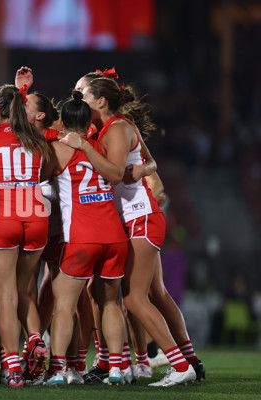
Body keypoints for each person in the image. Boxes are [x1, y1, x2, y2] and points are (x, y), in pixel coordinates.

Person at [65, 76, 197, 387]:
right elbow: (148, 162)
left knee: (137, 298)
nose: (78, 98)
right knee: (103, 292)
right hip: (125, 220)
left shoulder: (118, 128)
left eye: (83, 95)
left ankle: (180, 364)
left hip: (141, 217)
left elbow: (112, 174)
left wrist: (83, 145)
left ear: (101, 101)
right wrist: (144, 168)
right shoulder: (108, 127)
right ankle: (117, 363)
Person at [42, 91, 127, 386]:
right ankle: (116, 368)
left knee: (64, 304)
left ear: (63, 121)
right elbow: (116, 174)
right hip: (114, 236)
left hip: (82, 236)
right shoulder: (102, 146)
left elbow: (37, 180)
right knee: (110, 303)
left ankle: (58, 370)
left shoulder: (57, 149)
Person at [0, 84, 50, 387]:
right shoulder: (37, 139)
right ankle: (35, 338)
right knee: (25, 290)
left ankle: (14, 368)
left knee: (5, 297)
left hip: (1, 216)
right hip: (35, 217)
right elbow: (45, 174)